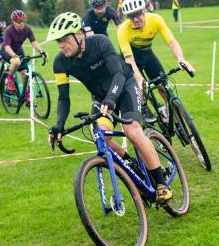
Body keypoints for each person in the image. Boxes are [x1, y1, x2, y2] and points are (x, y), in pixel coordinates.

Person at [46, 11, 173, 203]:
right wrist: (59, 126)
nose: (61, 45)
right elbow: (63, 98)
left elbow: (118, 75)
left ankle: (161, 182)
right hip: (101, 97)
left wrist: (112, 99)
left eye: (65, 39)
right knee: (102, 136)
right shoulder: (60, 62)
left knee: (131, 130)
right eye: (58, 41)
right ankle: (134, 168)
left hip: (125, 87)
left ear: (80, 34)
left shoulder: (100, 43)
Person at [117, 0, 194, 119]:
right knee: (140, 88)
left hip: (147, 54)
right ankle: (143, 107)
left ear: (144, 11)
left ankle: (175, 118)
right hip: (131, 58)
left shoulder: (156, 19)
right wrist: (140, 80)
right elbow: (129, 59)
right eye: (131, 16)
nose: (135, 19)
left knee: (163, 86)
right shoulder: (123, 30)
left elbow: (171, 42)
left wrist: (180, 58)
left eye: (138, 14)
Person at [1, 10, 47, 101]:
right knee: (16, 62)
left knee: (25, 74)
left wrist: (41, 51)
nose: (21, 23)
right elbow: (7, 47)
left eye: (22, 21)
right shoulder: (9, 30)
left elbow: (34, 43)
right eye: (18, 21)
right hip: (7, 51)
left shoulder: (27, 29)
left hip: (19, 51)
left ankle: (27, 96)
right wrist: (15, 56)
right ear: (13, 21)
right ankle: (10, 79)